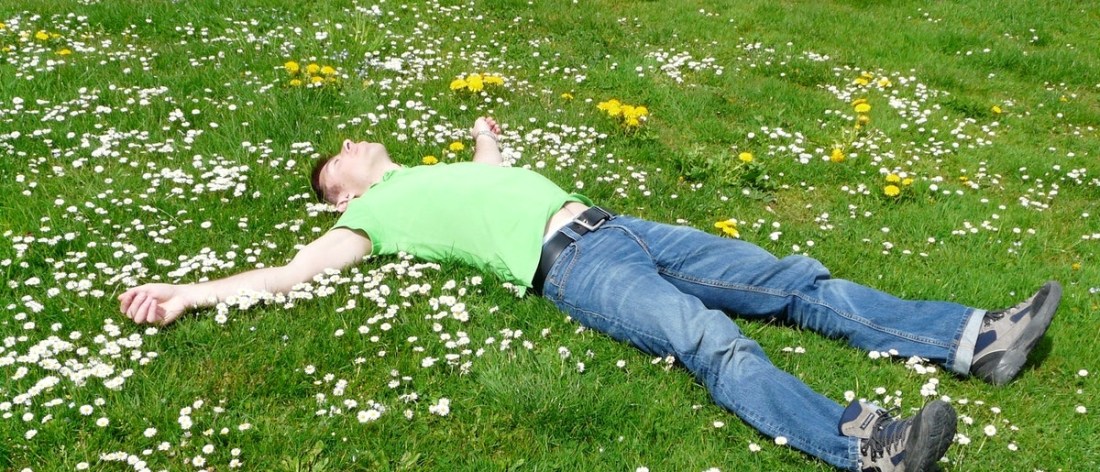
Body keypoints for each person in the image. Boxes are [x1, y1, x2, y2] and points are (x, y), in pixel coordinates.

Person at [119, 116, 1061, 472]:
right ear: (347, 194)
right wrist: (189, 294)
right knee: (712, 343)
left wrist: (485, 138)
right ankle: (869, 446)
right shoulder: (373, 219)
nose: (353, 146)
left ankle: (975, 338)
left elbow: (493, 176)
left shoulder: (437, 167)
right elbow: (283, 277)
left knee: (790, 280)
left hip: (617, 225)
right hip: (577, 269)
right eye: (339, 164)